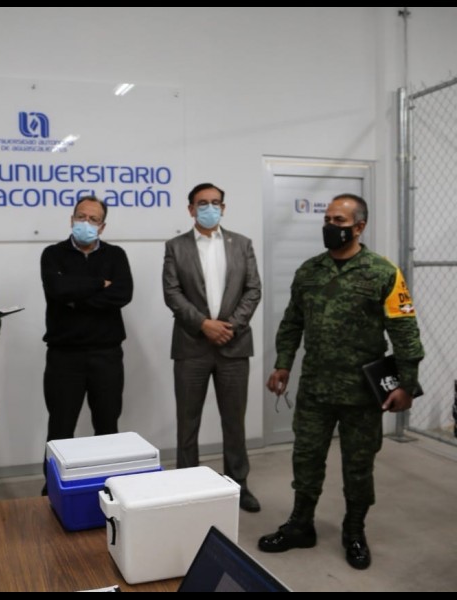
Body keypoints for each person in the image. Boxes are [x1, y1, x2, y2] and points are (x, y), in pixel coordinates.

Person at [258, 193, 425, 570]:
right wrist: (283, 363)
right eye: (327, 220)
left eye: (339, 221)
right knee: (306, 459)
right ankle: (301, 525)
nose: (330, 227)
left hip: (361, 394)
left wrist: (406, 384)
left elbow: (404, 331)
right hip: (315, 389)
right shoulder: (309, 271)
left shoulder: (383, 272)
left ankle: (354, 531)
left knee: (358, 466)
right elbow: (292, 322)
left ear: (359, 227)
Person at [162, 183, 262, 512]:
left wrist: (230, 326)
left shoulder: (242, 244)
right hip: (191, 346)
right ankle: (188, 487)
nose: (209, 208)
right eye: (202, 203)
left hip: (234, 345)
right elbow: (172, 293)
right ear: (191, 209)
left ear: (223, 207)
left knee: (234, 422)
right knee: (187, 422)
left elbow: (253, 289)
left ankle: (238, 484)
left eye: (215, 202)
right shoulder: (176, 247)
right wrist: (204, 324)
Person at [40, 196, 133, 492]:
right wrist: (98, 284)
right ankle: (53, 490)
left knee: (107, 427)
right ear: (71, 220)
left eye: (93, 219)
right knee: (60, 428)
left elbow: (122, 294)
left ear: (102, 226)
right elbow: (56, 290)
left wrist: (75, 297)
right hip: (64, 357)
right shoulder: (52, 254)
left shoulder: (116, 255)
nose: (86, 223)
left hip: (106, 355)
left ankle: (108, 488)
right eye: (81, 217)